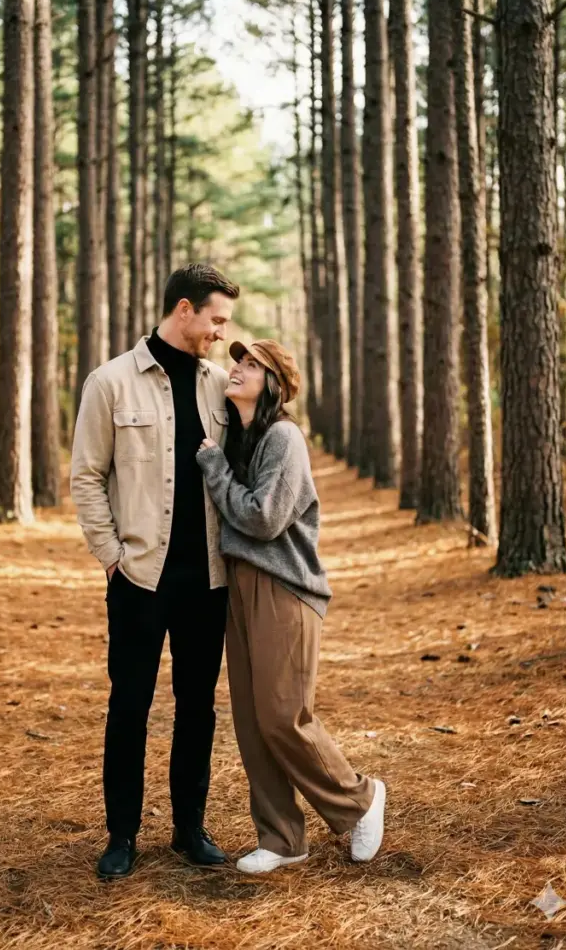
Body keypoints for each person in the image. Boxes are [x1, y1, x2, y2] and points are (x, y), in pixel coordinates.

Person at [70, 263, 240, 879]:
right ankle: (121, 836)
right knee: (130, 707)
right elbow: (87, 475)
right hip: (139, 578)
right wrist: (111, 557)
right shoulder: (110, 382)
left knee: (198, 706)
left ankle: (189, 831)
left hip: (211, 582)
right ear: (185, 309)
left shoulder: (223, 385)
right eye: (216, 319)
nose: (222, 333)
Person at [196, 339, 386, 875]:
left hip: (285, 588)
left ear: (273, 381)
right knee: (253, 723)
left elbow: (262, 519)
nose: (236, 369)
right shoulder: (242, 440)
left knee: (284, 714)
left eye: (250, 364)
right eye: (236, 361)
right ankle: (281, 837)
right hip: (240, 585)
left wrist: (213, 466)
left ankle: (359, 800)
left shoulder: (283, 437)